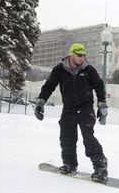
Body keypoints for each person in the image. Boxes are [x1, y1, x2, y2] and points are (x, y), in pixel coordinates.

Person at [34, 43, 109, 183]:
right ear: (71, 55)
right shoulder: (59, 70)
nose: (82, 58)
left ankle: (101, 168)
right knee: (66, 137)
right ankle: (69, 164)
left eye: (83, 56)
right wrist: (41, 102)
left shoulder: (88, 70)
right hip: (68, 108)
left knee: (88, 138)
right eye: (79, 55)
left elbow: (99, 86)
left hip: (85, 108)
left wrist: (102, 105)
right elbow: (49, 86)